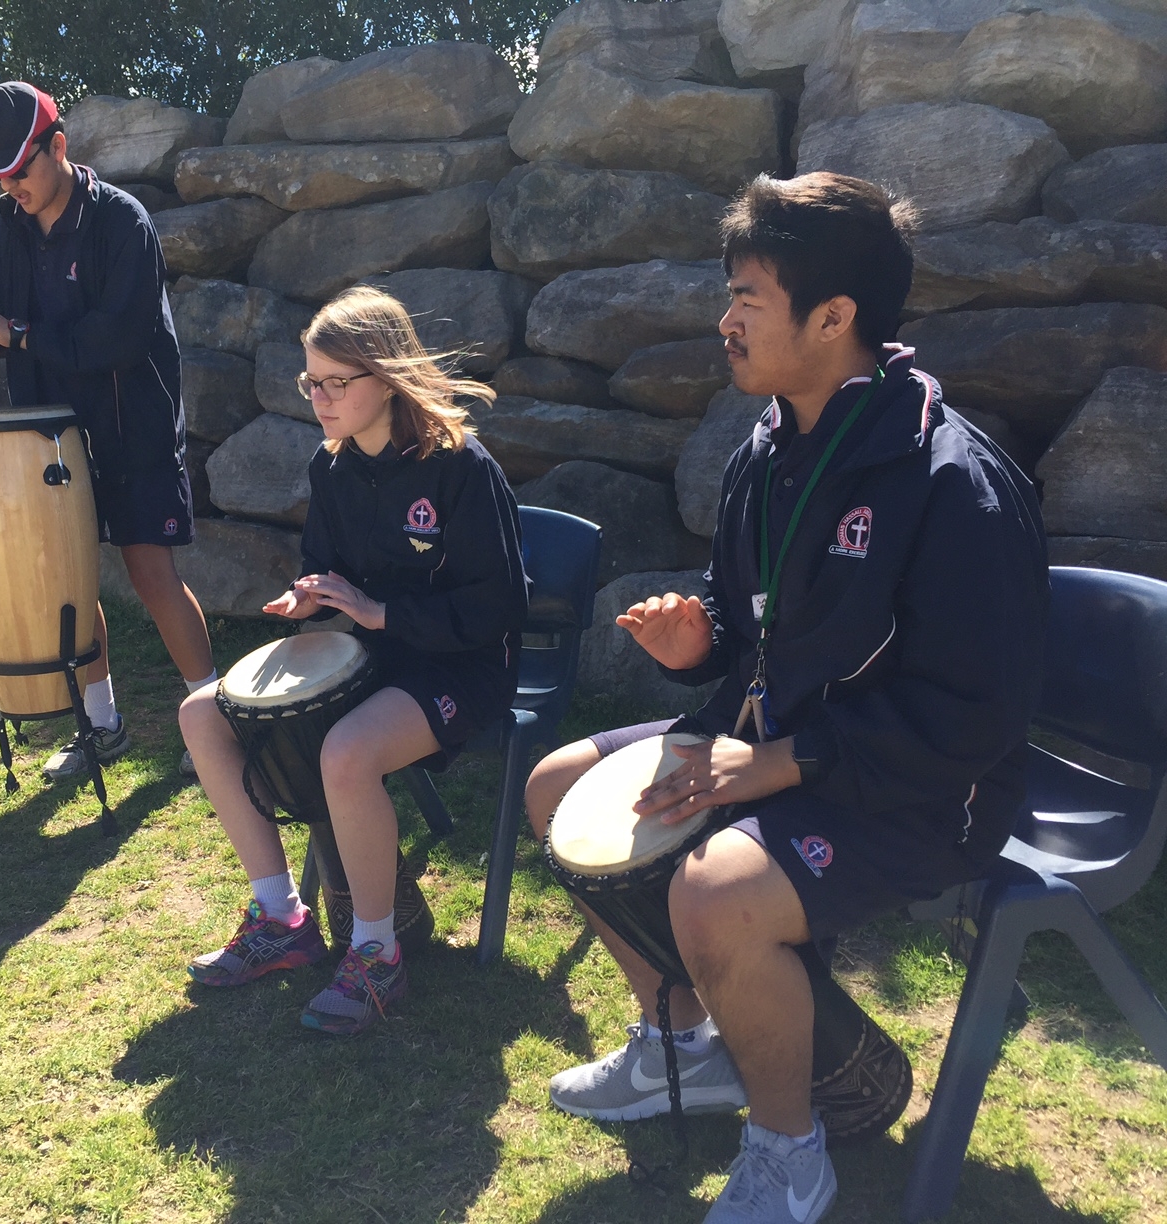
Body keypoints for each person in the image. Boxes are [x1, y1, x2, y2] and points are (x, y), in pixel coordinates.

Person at [523, 173, 1047, 1222]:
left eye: (748, 299)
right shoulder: (769, 446)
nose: (725, 320)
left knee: (711, 891)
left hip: (921, 790)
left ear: (834, 317)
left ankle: (789, 1154)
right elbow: (738, 615)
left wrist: (778, 764)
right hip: (770, 740)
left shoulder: (953, 479)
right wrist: (694, 640)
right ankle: (682, 1041)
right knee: (556, 788)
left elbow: (972, 721)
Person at [179, 286, 528, 1034]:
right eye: (313, 381)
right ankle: (281, 917)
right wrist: (314, 599)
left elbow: (500, 611)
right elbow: (328, 570)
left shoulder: (463, 469)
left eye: (340, 383)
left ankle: (377, 956)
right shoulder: (331, 467)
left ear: (391, 377)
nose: (322, 398)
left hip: (463, 668)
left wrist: (380, 614)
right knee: (202, 712)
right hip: (370, 659)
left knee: (347, 750)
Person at [0, 81, 214, 779]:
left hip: (134, 432)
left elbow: (115, 341)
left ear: (57, 147)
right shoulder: (8, 228)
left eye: (19, 168)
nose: (9, 184)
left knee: (153, 577)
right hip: (52, 440)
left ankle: (211, 724)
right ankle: (101, 726)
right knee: (69, 583)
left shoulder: (124, 222)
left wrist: (15, 331)